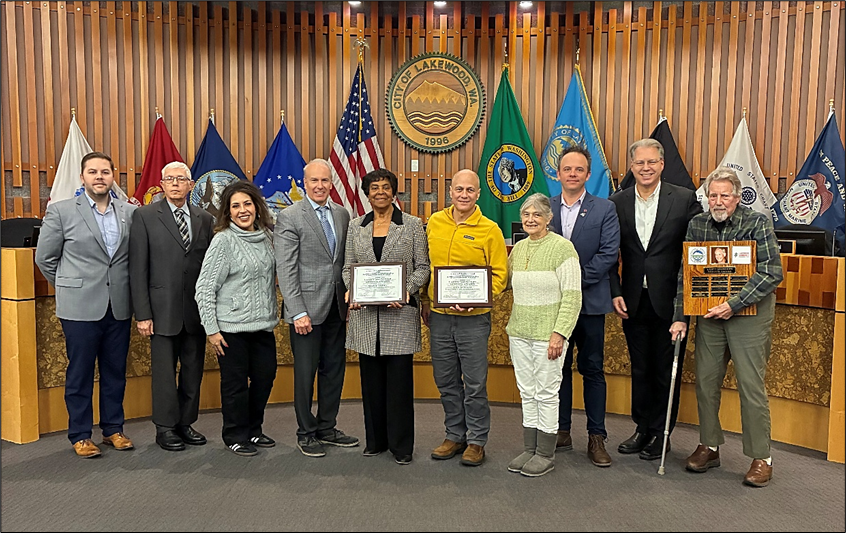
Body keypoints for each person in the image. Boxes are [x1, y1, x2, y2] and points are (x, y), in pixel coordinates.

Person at [670, 166, 783, 487]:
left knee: (750, 386)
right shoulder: (697, 225)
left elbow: (772, 271)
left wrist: (733, 303)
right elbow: (686, 276)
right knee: (706, 382)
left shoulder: (757, 222)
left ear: (737, 197)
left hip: (750, 315)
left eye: (725, 196)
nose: (718, 202)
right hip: (708, 315)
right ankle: (709, 444)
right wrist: (680, 316)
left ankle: (762, 457)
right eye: (712, 196)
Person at [35, 152, 137, 458]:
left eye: (105, 171)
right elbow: (45, 258)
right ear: (82, 177)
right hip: (79, 308)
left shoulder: (129, 213)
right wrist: (69, 285)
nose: (99, 177)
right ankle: (80, 434)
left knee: (115, 372)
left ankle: (113, 430)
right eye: (92, 171)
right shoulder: (63, 211)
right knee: (79, 373)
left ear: (112, 176)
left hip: (118, 304)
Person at [609, 139, 702, 460]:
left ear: (662, 164)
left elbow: (696, 253)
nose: (645, 168)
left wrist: (684, 307)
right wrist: (615, 291)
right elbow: (610, 254)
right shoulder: (617, 202)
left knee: (665, 370)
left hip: (671, 302)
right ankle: (642, 427)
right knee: (640, 368)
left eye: (651, 162)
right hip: (632, 300)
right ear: (631, 167)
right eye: (639, 163)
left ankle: (661, 434)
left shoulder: (685, 199)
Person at [342, 169, 430, 465]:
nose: (380, 192)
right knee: (371, 384)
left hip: (399, 316)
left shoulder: (413, 225)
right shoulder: (356, 226)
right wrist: (351, 290)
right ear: (367, 193)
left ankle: (401, 446)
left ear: (394, 192)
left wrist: (406, 290)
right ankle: (375, 441)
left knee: (400, 387)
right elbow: (347, 268)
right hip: (366, 316)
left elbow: (423, 267)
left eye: (386, 187)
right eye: (374, 188)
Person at [421, 169, 508, 467]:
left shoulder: (489, 229)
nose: (463, 195)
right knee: (445, 380)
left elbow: (500, 275)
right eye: (459, 189)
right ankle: (454, 435)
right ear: (450, 191)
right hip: (440, 317)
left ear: (478, 194)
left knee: (474, 383)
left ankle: (476, 440)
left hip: (474, 319)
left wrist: (476, 299)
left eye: (470, 190)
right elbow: (425, 265)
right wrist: (423, 299)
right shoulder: (434, 222)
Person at [275, 159, 359, 457]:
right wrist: (297, 311)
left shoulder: (342, 214)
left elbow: (344, 260)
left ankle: (327, 426)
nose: (320, 186)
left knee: (333, 371)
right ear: (305, 182)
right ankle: (306, 431)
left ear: (331, 182)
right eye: (314, 181)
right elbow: (285, 269)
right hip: (305, 312)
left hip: (337, 307)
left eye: (325, 181)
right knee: (305, 373)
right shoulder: (290, 216)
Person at [129, 161, 215, 451]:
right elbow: (137, 268)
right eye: (170, 179)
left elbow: (208, 266)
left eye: (182, 179)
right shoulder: (144, 216)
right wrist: (143, 314)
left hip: (196, 311)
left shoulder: (205, 218)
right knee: (164, 374)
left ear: (191, 185)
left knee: (192, 371)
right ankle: (165, 428)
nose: (176, 183)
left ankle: (185, 423)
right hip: (160, 310)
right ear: (162, 184)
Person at [195, 180, 279, 457]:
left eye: (247, 204)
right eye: (235, 206)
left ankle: (254, 430)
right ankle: (234, 434)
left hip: (262, 325)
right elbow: (205, 288)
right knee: (235, 386)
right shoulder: (223, 241)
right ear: (227, 213)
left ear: (256, 206)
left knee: (265, 378)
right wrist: (212, 330)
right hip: (230, 329)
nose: (243, 210)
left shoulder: (267, 236)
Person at [550, 145, 620, 467]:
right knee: (558, 370)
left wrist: (572, 280)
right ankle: (561, 430)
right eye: (567, 169)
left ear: (588, 175)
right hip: (554, 306)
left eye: (579, 170)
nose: (573, 174)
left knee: (592, 370)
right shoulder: (544, 208)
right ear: (558, 173)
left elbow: (608, 255)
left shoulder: (604, 209)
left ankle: (596, 436)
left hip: (590, 303)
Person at [505, 193, 581, 477]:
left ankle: (545, 452)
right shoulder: (519, 248)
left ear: (549, 218)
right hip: (520, 332)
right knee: (527, 391)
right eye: (526, 214)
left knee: (547, 393)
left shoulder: (563, 248)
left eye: (537, 215)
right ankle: (530, 447)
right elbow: (504, 285)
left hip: (548, 334)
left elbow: (573, 297)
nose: (531, 219)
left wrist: (559, 334)